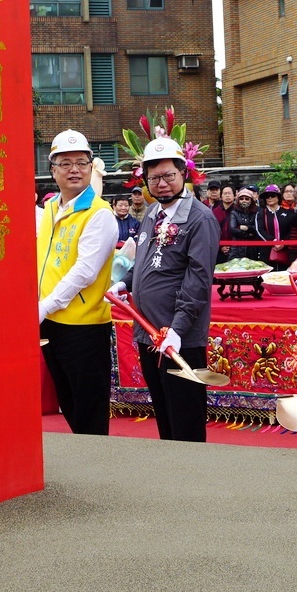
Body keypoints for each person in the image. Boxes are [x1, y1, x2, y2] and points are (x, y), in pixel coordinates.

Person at [116, 136, 220, 442]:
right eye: (154, 178)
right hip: (148, 332)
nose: (161, 184)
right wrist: (125, 282)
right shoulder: (151, 214)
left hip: (179, 337)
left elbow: (199, 279)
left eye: (168, 176)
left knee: (185, 418)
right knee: (163, 413)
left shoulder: (200, 218)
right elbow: (146, 262)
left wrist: (177, 328)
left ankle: (193, 483)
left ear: (184, 174)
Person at [37, 129, 119, 436]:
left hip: (83, 326)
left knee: (89, 406)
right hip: (50, 321)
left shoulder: (99, 214)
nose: (75, 169)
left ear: (91, 167)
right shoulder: (50, 209)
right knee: (68, 401)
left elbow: (84, 272)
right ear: (53, 170)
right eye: (66, 163)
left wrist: (43, 306)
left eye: (82, 163)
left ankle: (98, 471)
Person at [255, 184, 296, 268]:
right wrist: (273, 241)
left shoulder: (288, 212)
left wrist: (283, 242)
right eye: (267, 196)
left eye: (272, 195)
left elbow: (292, 229)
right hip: (267, 250)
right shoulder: (261, 213)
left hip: (285, 250)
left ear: (278, 197)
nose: (270, 198)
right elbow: (259, 230)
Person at [226, 188, 257, 260]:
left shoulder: (256, 212)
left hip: (251, 248)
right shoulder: (234, 212)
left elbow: (257, 228)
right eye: (241, 199)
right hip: (236, 247)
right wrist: (249, 234)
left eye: (247, 199)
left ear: (251, 200)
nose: (244, 201)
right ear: (238, 200)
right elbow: (233, 229)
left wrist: (247, 228)